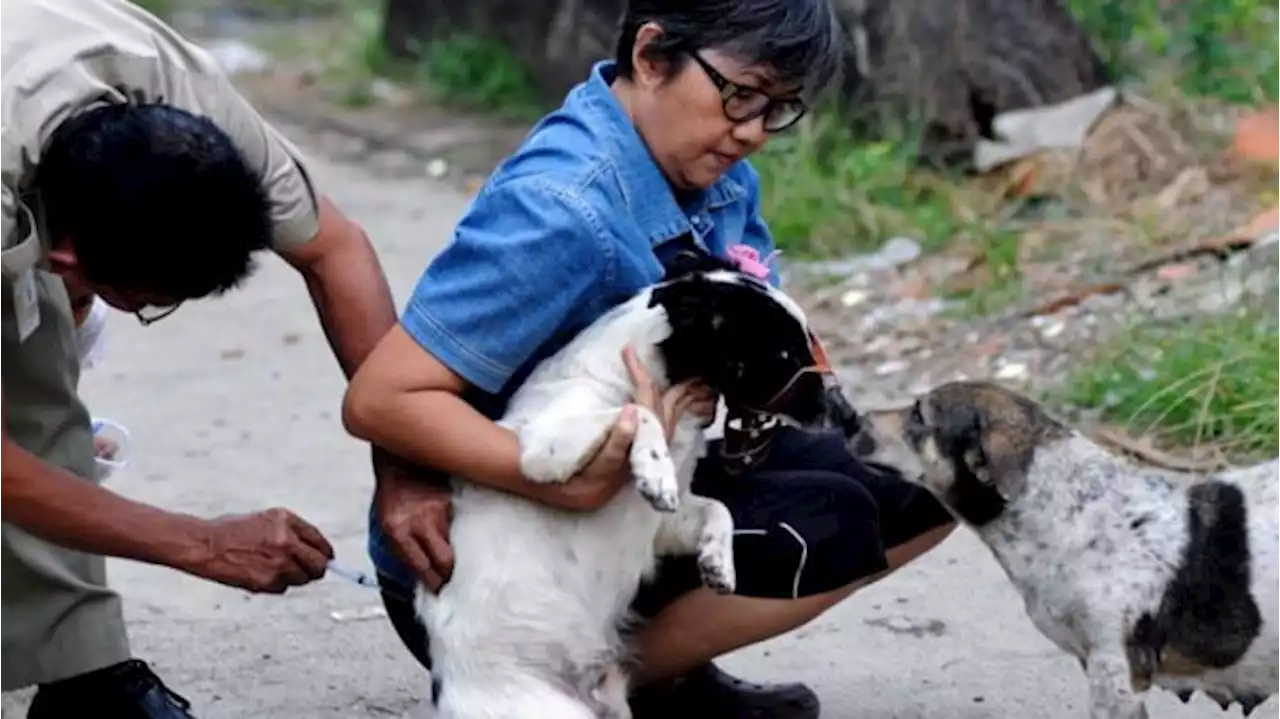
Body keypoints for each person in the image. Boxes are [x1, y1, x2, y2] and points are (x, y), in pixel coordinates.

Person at [341, 0, 960, 716]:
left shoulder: (714, 172)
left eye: (779, 109)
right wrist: (560, 484)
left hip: (629, 503)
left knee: (926, 476)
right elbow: (382, 398)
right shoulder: (557, 208)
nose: (754, 132)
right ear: (651, 54)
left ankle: (664, 668)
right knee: (829, 516)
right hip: (505, 577)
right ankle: (604, 681)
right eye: (743, 95)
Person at [0, 0, 409, 716]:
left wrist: (409, 469)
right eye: (146, 298)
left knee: (39, 352)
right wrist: (202, 543)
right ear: (63, 255)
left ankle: (81, 672)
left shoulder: (185, 98)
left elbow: (333, 248)